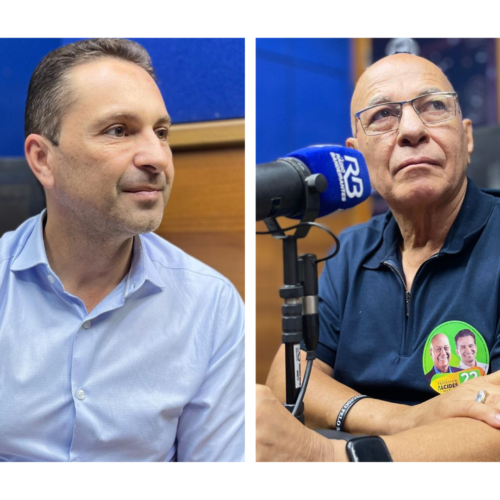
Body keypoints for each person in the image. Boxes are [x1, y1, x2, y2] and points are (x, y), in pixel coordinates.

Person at [0, 38, 244, 462]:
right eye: (119, 130)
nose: (157, 157)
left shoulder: (212, 305)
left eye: (161, 132)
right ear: (43, 160)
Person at [257, 52, 500, 462]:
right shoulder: (348, 251)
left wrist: (334, 458)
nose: (411, 129)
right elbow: (290, 381)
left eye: (433, 106)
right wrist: (404, 419)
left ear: (468, 136)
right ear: (357, 156)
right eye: (383, 115)